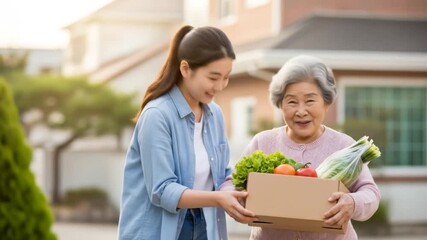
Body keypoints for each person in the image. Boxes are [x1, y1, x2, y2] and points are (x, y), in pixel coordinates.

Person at [118, 25, 256, 240]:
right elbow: (162, 190)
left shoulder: (214, 114)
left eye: (226, 77)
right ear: (185, 69)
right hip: (158, 231)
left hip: (201, 224)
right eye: (213, 77)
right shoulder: (157, 115)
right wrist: (219, 198)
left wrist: (232, 191)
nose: (220, 86)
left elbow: (222, 172)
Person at [240, 55, 381, 239]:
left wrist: (353, 202)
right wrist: (241, 200)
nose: (301, 111)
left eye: (310, 100)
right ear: (280, 105)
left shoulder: (344, 145)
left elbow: (371, 193)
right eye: (291, 101)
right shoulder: (262, 143)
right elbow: (233, 186)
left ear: (326, 103)